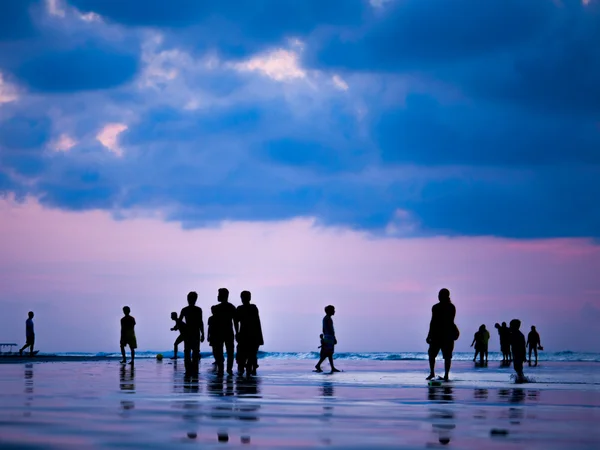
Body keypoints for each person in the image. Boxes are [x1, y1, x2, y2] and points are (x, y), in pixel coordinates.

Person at [426, 288, 458, 381]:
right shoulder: (450, 307)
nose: (438, 296)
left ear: (445, 296)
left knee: (444, 356)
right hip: (444, 335)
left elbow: (434, 322)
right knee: (437, 355)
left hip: (441, 335)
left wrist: (429, 335)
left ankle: (443, 374)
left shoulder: (443, 307)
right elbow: (433, 322)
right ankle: (437, 373)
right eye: (438, 295)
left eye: (440, 295)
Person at [235, 291, 264, 376]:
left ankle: (245, 368)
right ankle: (250, 368)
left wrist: (237, 332)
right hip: (253, 334)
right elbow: (257, 323)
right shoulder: (253, 308)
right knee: (252, 354)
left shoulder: (241, 308)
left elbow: (236, 322)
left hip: (245, 334)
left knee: (243, 354)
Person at [211, 288, 238, 376]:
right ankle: (228, 369)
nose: (217, 296)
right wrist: (237, 332)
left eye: (219, 294)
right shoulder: (231, 307)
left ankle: (221, 369)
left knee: (220, 352)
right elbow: (235, 322)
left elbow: (214, 323)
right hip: (228, 332)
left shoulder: (217, 308)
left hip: (219, 333)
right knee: (229, 352)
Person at [179, 291, 204, 376]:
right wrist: (203, 333)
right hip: (194, 333)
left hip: (189, 333)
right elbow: (200, 322)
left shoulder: (185, 309)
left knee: (188, 352)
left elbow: (179, 321)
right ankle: (194, 370)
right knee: (194, 352)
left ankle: (188, 370)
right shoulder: (198, 310)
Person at [314, 305, 340, 373]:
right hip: (329, 337)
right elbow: (331, 329)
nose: (334, 311)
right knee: (327, 353)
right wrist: (334, 337)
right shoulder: (327, 318)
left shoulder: (326, 318)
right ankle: (318, 365)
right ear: (329, 311)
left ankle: (332, 367)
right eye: (333, 310)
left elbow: (324, 329)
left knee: (330, 353)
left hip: (328, 336)